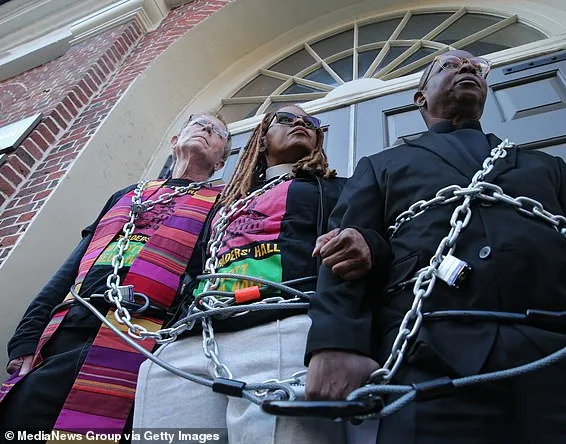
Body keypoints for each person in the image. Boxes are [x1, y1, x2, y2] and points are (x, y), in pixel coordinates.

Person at [305, 49, 566, 443]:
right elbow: (343, 250)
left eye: (475, 67)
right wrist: (335, 343)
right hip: (431, 365)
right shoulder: (381, 166)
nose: (466, 67)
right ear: (420, 98)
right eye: (447, 64)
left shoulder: (543, 165)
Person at [134, 105, 379, 444]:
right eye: (287, 119)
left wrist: (340, 339)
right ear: (262, 139)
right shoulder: (225, 203)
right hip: (192, 339)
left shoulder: (339, 188)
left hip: (282, 323)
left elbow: (371, 244)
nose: (299, 124)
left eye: (309, 123)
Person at [0, 113, 232, 438]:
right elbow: (72, 266)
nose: (207, 129)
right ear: (175, 140)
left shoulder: (223, 205)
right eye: (199, 124)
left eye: (218, 131)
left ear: (221, 161)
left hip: (142, 341)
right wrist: (26, 338)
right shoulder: (127, 195)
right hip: (68, 330)